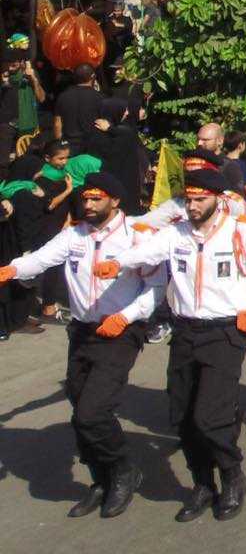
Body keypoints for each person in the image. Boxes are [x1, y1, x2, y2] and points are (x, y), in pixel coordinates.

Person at [111, 154, 246, 522]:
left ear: (218, 199)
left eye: (199, 200)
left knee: (210, 416)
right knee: (182, 416)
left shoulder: (242, 230)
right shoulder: (176, 234)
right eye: (188, 200)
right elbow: (142, 252)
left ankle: (232, 475)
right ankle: (203, 484)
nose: (192, 207)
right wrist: (116, 263)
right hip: (185, 331)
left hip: (226, 331)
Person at [0, 170, 156, 518]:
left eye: (96, 198)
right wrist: (11, 270)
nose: (88, 204)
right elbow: (40, 259)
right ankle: (101, 478)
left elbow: (155, 288)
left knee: (93, 412)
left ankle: (123, 470)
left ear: (115, 201)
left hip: (119, 332)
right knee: (78, 402)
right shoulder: (74, 234)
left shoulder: (138, 236)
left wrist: (128, 316)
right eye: (85, 198)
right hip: (83, 331)